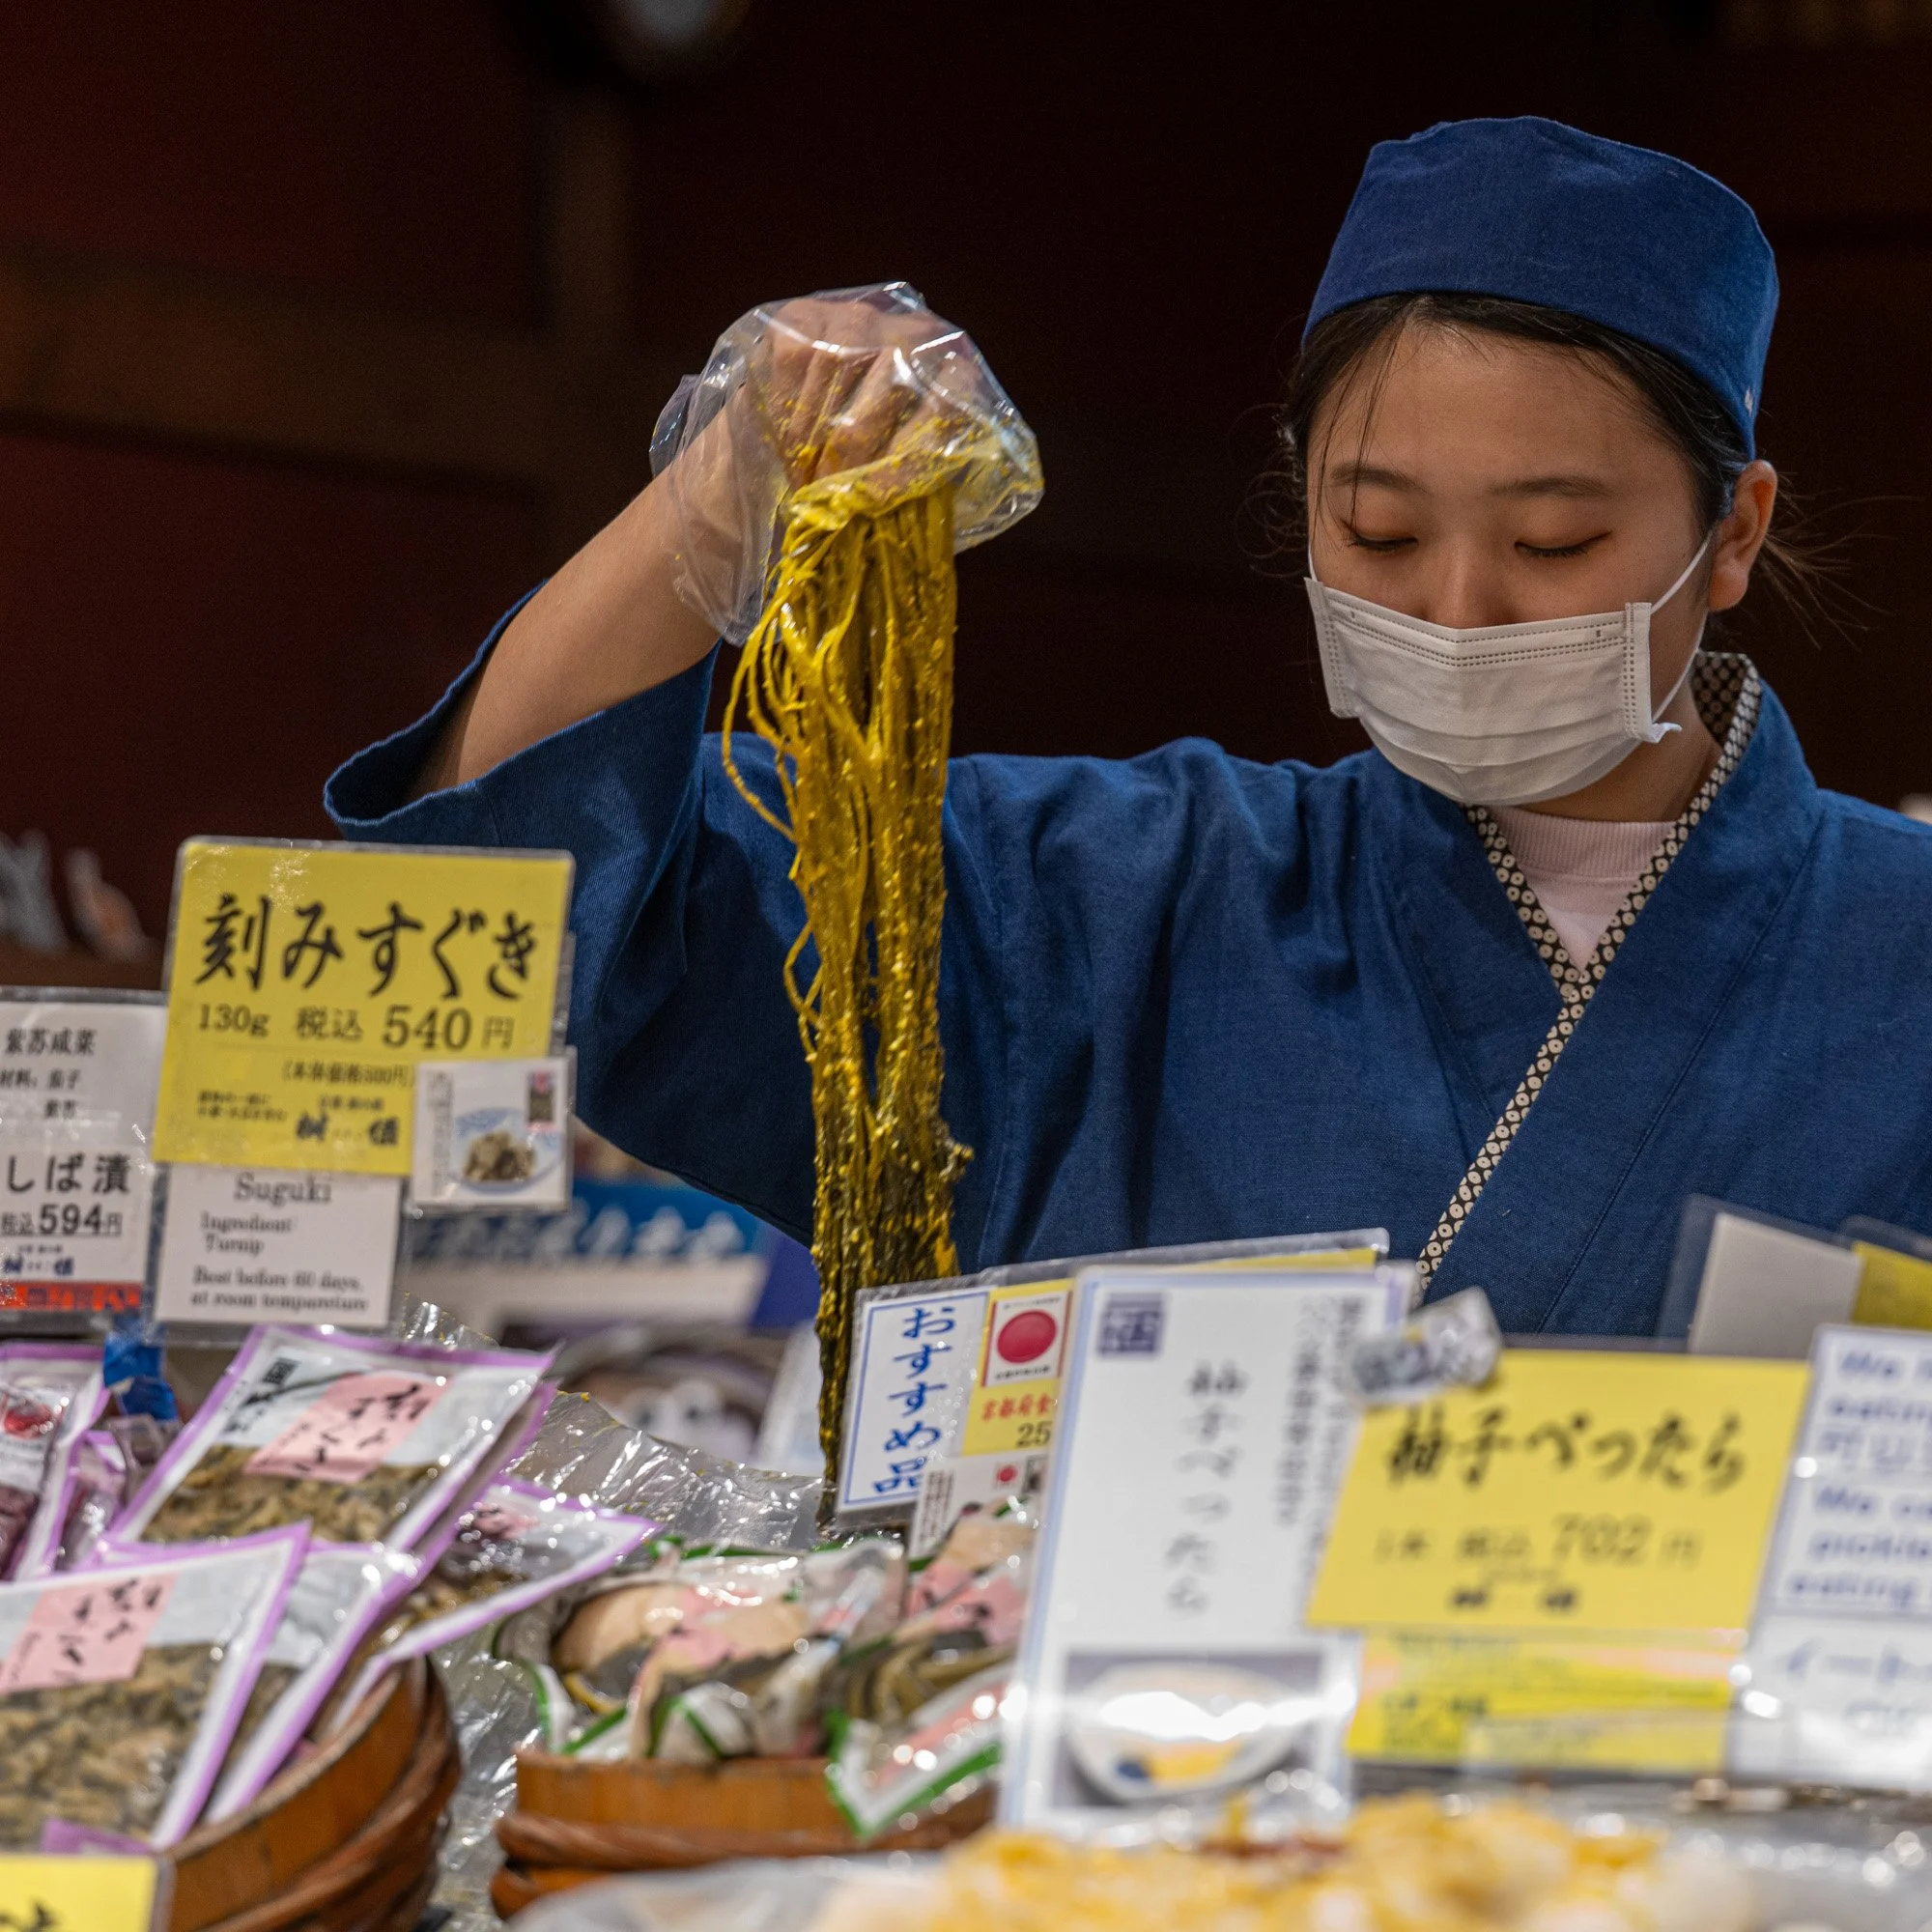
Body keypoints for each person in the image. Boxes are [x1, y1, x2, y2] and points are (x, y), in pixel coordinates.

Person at [328, 117, 1932, 1337]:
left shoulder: (1903, 950)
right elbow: (516, 885)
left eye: (1556, 543)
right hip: (1124, 1770)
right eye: (1376, 533)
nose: (1454, 608)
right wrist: (729, 482)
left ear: (1732, 536)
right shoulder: (1108, 900)